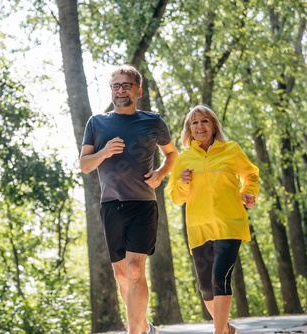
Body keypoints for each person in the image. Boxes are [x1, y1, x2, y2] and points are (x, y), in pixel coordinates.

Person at [80, 65, 178, 334]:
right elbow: (85, 165)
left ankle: (134, 332)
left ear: (138, 91)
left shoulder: (153, 121)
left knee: (135, 269)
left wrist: (160, 174)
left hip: (143, 204)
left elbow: (172, 154)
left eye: (126, 85)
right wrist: (104, 152)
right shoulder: (96, 123)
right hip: (111, 204)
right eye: (116, 86)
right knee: (121, 274)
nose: (120, 90)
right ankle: (144, 327)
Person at [167, 105, 259, 334]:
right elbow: (176, 197)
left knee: (220, 278)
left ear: (214, 126)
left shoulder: (231, 150)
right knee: (206, 288)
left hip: (229, 223)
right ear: (189, 129)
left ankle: (219, 332)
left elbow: (250, 174)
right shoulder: (184, 158)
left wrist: (249, 193)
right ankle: (226, 329)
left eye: (205, 121)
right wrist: (184, 182)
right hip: (199, 228)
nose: (200, 126)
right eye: (194, 123)